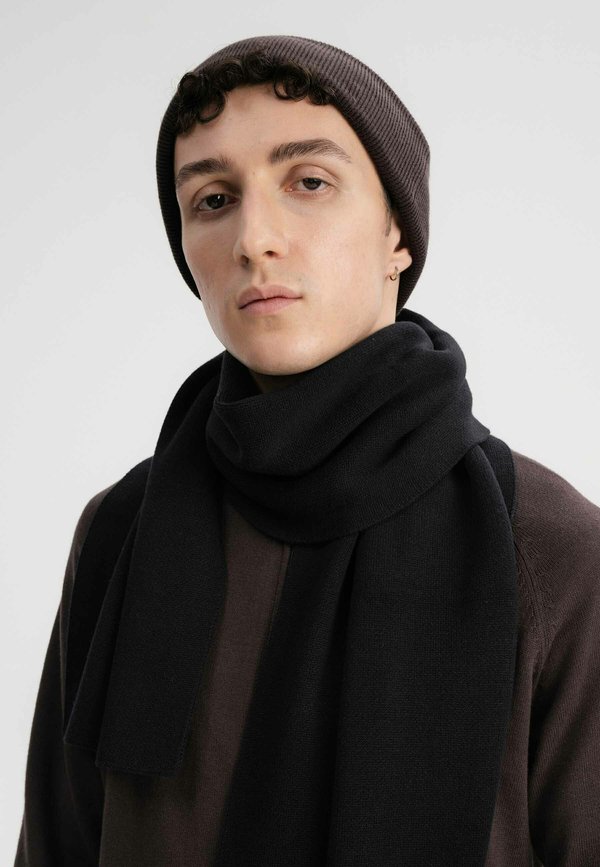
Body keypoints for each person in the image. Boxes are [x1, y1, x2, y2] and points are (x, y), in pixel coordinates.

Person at [14, 35, 600, 867]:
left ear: (399, 231)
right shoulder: (122, 530)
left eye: (309, 182)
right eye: (213, 199)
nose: (254, 238)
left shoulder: (547, 550)